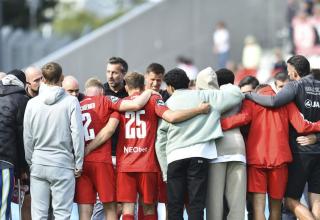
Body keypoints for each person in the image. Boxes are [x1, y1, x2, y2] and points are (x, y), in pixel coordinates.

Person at [87, 71, 210, 220]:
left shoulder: (121, 105)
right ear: (143, 86)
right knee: (149, 208)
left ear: (126, 87)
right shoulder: (153, 100)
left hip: (126, 164)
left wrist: (87, 150)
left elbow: (109, 130)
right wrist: (199, 109)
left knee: (127, 209)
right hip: (147, 165)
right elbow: (171, 117)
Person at [222, 82, 320, 220]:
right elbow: (301, 126)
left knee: (258, 210)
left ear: (258, 92)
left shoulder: (252, 102)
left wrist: (219, 124)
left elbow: (242, 118)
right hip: (280, 161)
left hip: (257, 160)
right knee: (275, 210)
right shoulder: (286, 103)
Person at [156, 67, 244, 220]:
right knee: (196, 204)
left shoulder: (168, 103)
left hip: (175, 157)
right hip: (199, 154)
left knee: (175, 205)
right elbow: (237, 94)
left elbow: (161, 139)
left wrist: (165, 169)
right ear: (188, 82)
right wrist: (222, 85)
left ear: (169, 87)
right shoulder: (204, 96)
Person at [246, 55, 320, 219]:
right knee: (316, 200)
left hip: (300, 152)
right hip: (317, 150)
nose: (288, 73)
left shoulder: (295, 86)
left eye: (288, 70)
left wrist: (249, 96)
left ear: (293, 72)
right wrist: (316, 136)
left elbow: (274, 101)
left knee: (290, 201)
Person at [75, 77, 158, 220]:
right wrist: (150, 91)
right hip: (101, 161)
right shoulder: (106, 101)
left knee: (85, 209)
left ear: (85, 91)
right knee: (110, 207)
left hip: (81, 162)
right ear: (102, 91)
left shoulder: (77, 105)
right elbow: (110, 129)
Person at [23, 62, 85, 219]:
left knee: (39, 215)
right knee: (62, 214)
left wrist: (31, 161)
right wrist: (78, 162)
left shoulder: (31, 103)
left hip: (38, 162)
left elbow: (27, 137)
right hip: (63, 164)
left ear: (43, 78)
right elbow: (77, 134)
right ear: (61, 79)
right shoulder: (71, 102)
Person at [206, 68, 246, 220]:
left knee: (214, 201)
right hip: (238, 148)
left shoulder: (212, 95)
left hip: (217, 149)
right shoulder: (238, 94)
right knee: (237, 202)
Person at [92, 56, 130, 220]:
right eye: (108, 72)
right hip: (104, 155)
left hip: (126, 155)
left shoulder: (131, 93)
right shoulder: (101, 92)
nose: (110, 76)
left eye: (114, 72)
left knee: (125, 203)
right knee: (102, 203)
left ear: (124, 74)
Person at [0, 69, 29, 219]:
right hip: (6, 161)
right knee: (4, 208)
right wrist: (22, 167)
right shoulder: (22, 99)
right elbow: (21, 136)